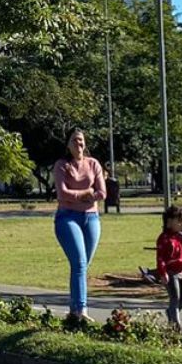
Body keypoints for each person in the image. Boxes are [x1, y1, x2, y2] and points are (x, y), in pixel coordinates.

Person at [51, 130, 106, 323]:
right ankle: (81, 310)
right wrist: (86, 193)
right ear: (68, 145)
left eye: (81, 140)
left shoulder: (93, 164)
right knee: (80, 263)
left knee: (81, 266)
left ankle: (74, 312)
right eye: (74, 140)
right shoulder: (61, 165)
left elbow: (102, 193)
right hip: (68, 218)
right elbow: (62, 193)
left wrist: (82, 194)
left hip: (91, 218)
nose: (78, 143)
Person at [155, 205, 182, 330]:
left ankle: (171, 312)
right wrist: (162, 272)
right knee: (175, 298)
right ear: (169, 222)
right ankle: (176, 325)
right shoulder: (164, 239)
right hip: (171, 273)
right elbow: (160, 258)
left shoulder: (180, 237)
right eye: (180, 221)